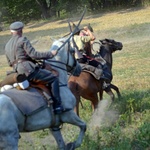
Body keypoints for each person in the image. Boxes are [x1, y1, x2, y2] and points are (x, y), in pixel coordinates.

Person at [4, 21, 65, 114]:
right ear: (20, 30)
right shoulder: (22, 39)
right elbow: (34, 54)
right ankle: (57, 106)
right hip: (28, 70)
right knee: (53, 79)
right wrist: (50, 54)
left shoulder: (7, 45)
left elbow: (10, 63)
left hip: (16, 72)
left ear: (11, 32)